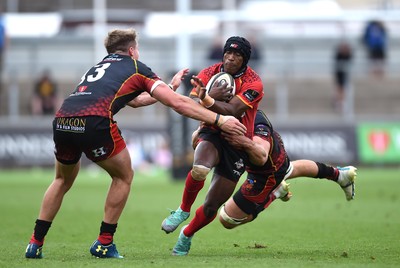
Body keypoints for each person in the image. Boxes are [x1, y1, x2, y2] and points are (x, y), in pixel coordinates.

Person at [24, 28, 246, 259]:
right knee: (123, 176)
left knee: (61, 180)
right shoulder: (136, 68)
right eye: (137, 49)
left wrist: (169, 88)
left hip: (63, 119)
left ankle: (34, 243)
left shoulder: (99, 67)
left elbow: (136, 101)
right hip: (95, 120)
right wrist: (220, 119)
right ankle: (104, 243)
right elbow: (178, 105)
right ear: (132, 50)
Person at [161, 36, 264, 255]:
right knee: (199, 168)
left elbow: (234, 111)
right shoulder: (208, 73)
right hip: (213, 131)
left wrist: (207, 99)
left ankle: (186, 235)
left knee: (211, 207)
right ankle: (182, 210)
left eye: (237, 55)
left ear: (245, 59)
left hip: (238, 141)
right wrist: (204, 99)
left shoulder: (254, 82)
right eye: (228, 52)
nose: (230, 57)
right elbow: (189, 105)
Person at [218, 109, 357, 229]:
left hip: (265, 173)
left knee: (227, 219)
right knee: (290, 169)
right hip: (276, 160)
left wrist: (243, 142)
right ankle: (339, 174)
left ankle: (275, 193)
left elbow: (262, 156)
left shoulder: (256, 121)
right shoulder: (241, 111)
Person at [333, 41, 353, 112]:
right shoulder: (338, 55)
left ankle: (342, 103)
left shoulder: (348, 55)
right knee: (340, 88)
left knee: (344, 88)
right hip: (339, 74)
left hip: (345, 74)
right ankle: (339, 103)